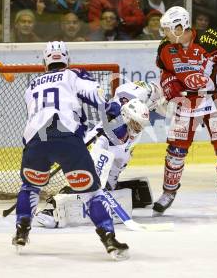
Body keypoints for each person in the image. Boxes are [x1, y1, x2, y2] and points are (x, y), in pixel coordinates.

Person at [12, 41, 129, 260]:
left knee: (29, 186)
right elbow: (96, 94)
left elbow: (33, 118)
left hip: (36, 143)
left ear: (45, 61)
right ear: (67, 59)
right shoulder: (73, 75)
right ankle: (109, 239)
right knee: (92, 193)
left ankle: (21, 230)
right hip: (67, 138)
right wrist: (112, 106)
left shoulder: (32, 86)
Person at [153, 6, 217, 217]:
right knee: (176, 152)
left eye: (168, 29)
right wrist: (171, 86)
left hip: (215, 101)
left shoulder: (212, 40)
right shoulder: (164, 48)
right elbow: (166, 73)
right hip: (187, 103)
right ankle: (168, 193)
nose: (165, 34)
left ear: (180, 27)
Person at [34, 80, 167, 229]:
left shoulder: (135, 126)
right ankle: (53, 209)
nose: (138, 129)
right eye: (136, 125)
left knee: (107, 184)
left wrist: (108, 184)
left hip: (117, 147)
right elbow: (122, 94)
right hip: (95, 147)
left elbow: (119, 161)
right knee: (86, 183)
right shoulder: (113, 130)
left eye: (140, 126)